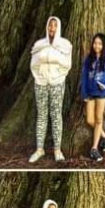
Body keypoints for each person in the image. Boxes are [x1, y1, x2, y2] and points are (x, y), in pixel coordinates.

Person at [29, 16, 72, 163]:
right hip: (41, 84)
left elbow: (67, 65)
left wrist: (57, 77)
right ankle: (39, 149)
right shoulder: (39, 45)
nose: (52, 28)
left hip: (57, 84)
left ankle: (57, 150)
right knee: (41, 115)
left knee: (56, 115)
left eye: (54, 26)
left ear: (58, 27)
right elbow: (33, 64)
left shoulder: (65, 45)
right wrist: (40, 77)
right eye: (50, 26)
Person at [80, 33, 105, 163]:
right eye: (95, 43)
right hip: (90, 93)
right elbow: (84, 77)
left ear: (103, 45)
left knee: (98, 119)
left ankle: (94, 148)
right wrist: (84, 93)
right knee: (90, 120)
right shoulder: (88, 59)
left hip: (101, 93)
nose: (97, 46)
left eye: (100, 43)